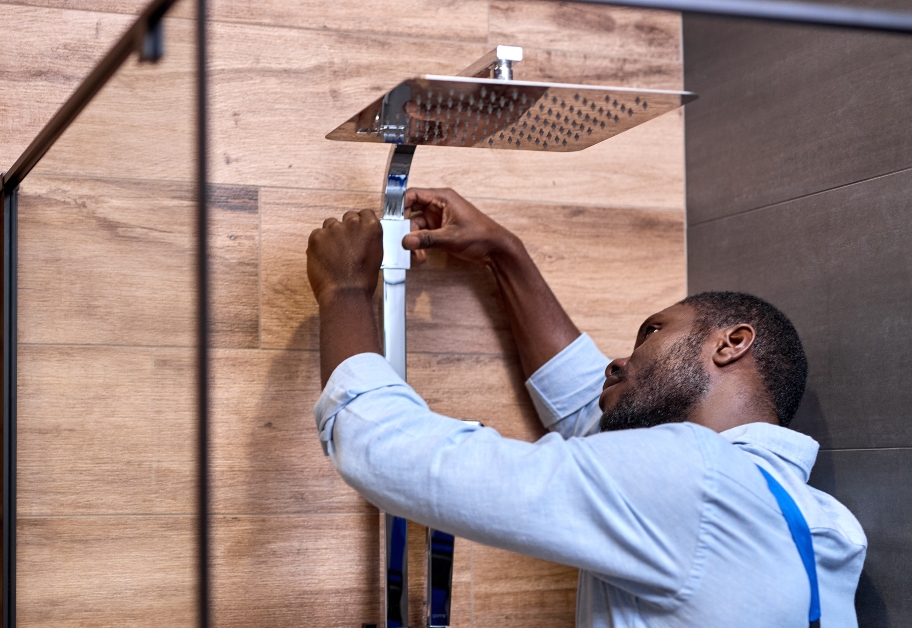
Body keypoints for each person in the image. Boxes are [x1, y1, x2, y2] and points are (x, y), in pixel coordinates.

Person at [305, 188, 866, 627]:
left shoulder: (695, 479)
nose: (617, 361)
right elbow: (589, 414)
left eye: (651, 332)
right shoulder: (813, 520)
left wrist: (344, 291)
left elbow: (385, 448)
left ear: (731, 343)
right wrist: (504, 253)